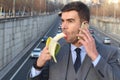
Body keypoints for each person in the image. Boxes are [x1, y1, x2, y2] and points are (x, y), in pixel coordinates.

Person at [28, 1, 120, 80]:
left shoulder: (110, 53)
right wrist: (38, 66)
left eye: (70, 21)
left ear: (85, 25)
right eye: (63, 21)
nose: (63, 26)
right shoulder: (54, 52)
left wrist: (95, 56)